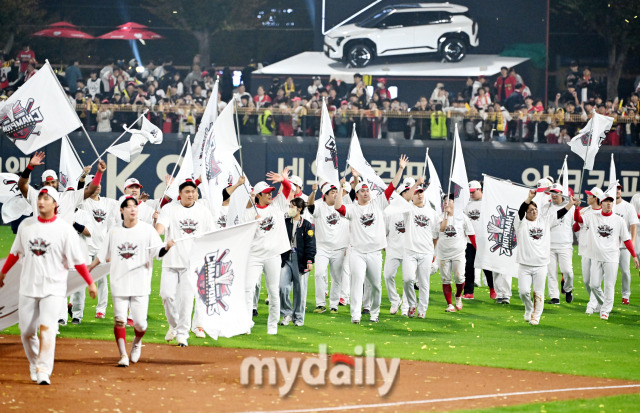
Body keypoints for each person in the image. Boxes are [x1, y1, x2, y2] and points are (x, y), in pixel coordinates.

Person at [0, 187, 97, 385]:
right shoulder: (26, 226)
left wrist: (89, 282)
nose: (41, 200)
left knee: (48, 328)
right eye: (40, 197)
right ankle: (34, 362)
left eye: (47, 197)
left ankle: (43, 370)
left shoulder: (64, 230)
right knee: (26, 331)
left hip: (53, 289)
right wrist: (3, 273)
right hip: (28, 287)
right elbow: (15, 253)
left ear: (55, 204)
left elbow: (78, 261)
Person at [89, 195, 174, 366]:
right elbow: (102, 254)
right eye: (128, 206)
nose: (133, 209)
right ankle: (122, 355)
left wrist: (166, 247)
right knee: (120, 319)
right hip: (119, 282)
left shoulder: (148, 230)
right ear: (122, 210)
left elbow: (158, 253)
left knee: (141, 324)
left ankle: (136, 343)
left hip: (140, 283)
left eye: (135, 206)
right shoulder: (113, 231)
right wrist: (90, 268)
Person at [334, 155, 409, 324]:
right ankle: (355, 315)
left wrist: (401, 169)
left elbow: (392, 187)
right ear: (357, 194)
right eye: (363, 190)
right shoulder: (352, 209)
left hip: (375, 252)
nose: (366, 192)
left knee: (375, 285)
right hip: (357, 252)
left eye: (367, 190)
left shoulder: (378, 203)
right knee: (357, 282)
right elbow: (338, 206)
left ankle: (374, 313)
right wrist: (341, 188)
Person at [155, 179, 214, 347]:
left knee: (187, 300)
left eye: (193, 191)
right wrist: (155, 235)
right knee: (166, 296)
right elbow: (161, 227)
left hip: (193, 264)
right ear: (179, 194)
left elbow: (212, 234)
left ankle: (182, 334)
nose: (190, 194)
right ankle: (174, 325)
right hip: (171, 260)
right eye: (187, 192)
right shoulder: (169, 209)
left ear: (197, 193)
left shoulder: (204, 211)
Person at [574, 193, 639, 320]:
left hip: (612, 258)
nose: (609, 203)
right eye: (606, 201)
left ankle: (605, 311)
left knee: (609, 285)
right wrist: (577, 207)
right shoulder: (592, 216)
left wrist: (634, 255)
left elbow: (626, 239)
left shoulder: (618, 220)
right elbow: (579, 220)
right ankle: (604, 302)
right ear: (601, 203)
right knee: (594, 285)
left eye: (611, 201)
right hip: (596, 257)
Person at [243, 168, 292, 334]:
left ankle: (272, 326)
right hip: (254, 256)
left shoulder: (277, 206)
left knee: (273, 291)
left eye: (271, 192)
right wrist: (251, 224)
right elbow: (242, 236)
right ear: (258, 195)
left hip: (273, 255)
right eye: (266, 193)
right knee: (248, 288)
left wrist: (283, 180)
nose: (270, 195)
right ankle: (246, 323)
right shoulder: (249, 213)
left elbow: (287, 190)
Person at [516, 189, 574, 325]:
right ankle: (529, 308)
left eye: (535, 209)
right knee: (524, 292)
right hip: (524, 265)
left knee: (538, 292)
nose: (534, 212)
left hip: (541, 265)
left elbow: (559, 214)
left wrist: (570, 204)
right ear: (526, 213)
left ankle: (536, 316)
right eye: (530, 210)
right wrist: (529, 199)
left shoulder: (545, 221)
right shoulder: (521, 223)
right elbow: (520, 211)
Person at [79, 175, 118, 319]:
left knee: (102, 280)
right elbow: (77, 191)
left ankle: (101, 309)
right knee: (81, 278)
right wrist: (83, 178)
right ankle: (76, 309)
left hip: (102, 247)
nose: (99, 186)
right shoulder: (84, 202)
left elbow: (126, 203)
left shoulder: (108, 203)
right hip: (86, 246)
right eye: (94, 184)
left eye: (100, 183)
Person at [307, 181, 349, 314]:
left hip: (339, 248)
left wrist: (342, 186)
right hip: (322, 248)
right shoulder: (319, 206)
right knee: (319, 274)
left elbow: (353, 192)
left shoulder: (343, 206)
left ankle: (334, 305)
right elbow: (310, 205)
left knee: (337, 278)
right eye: (332, 192)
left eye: (336, 192)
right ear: (325, 195)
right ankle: (320, 304)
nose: (335, 194)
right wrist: (313, 192)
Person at [400, 178, 438, 318]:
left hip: (426, 252)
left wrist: (433, 251)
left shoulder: (432, 212)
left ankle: (422, 310)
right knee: (407, 279)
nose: (419, 194)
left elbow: (436, 234)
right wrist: (416, 184)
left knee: (423, 283)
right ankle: (412, 304)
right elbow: (406, 199)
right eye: (416, 193)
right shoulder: (409, 209)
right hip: (410, 251)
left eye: (421, 192)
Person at [436, 194, 476, 312]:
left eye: (449, 201)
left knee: (459, 277)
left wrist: (476, 248)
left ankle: (458, 295)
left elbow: (471, 234)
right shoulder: (439, 218)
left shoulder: (462, 218)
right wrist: (445, 216)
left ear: (455, 203)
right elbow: (441, 229)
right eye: (444, 201)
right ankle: (449, 304)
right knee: (446, 279)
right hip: (443, 253)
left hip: (458, 253)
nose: (446, 203)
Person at [279, 198, 316, 326]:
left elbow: (311, 243)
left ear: (299, 209)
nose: (290, 208)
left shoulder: (306, 225)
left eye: (292, 206)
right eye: (289, 206)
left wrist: (310, 260)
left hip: (300, 259)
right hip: (286, 258)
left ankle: (298, 318)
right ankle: (286, 313)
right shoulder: (285, 222)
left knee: (299, 290)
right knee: (282, 287)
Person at [383, 177, 415, 316]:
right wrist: (384, 243)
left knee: (408, 280)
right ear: (400, 195)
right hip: (393, 249)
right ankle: (395, 300)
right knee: (388, 275)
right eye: (405, 193)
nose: (408, 195)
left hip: (409, 251)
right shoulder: (391, 211)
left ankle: (406, 306)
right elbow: (384, 230)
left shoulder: (414, 210)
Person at [540, 183, 575, 304]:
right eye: (552, 192)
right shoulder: (545, 208)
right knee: (551, 273)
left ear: (562, 193)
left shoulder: (571, 207)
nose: (554, 195)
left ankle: (568, 288)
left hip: (565, 245)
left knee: (568, 272)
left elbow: (576, 224)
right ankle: (554, 297)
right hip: (549, 245)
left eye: (556, 192)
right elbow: (546, 224)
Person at [572, 187, 604, 314]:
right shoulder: (585, 210)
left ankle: (591, 305)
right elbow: (575, 228)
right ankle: (598, 302)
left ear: (595, 198)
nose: (587, 196)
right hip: (585, 249)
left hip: (598, 251)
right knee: (586, 281)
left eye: (590, 195)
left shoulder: (604, 212)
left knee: (594, 281)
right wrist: (579, 215)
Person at [463, 180, 496, 299]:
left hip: (484, 239)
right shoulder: (466, 204)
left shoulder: (487, 202)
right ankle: (468, 292)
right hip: (469, 241)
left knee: (487, 266)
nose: (471, 194)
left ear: (479, 190)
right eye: (470, 192)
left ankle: (493, 289)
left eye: (473, 192)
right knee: (469, 266)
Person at [614, 183, 639, 304]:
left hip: (624, 246)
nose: (617, 191)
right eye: (615, 189)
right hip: (611, 246)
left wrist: (633, 241)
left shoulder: (628, 207)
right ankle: (608, 295)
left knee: (625, 271)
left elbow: (633, 225)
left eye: (619, 189)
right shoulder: (608, 205)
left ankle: (626, 295)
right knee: (609, 272)